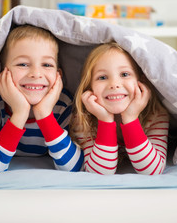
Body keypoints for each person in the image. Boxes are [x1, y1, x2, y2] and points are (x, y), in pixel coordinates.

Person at [0, 25, 84, 173]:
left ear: (58, 76)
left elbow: (75, 167)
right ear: (2, 73)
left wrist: (44, 115)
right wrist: (19, 113)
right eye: (23, 64)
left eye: (46, 64)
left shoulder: (65, 105)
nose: (36, 74)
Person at [70, 42, 169, 175]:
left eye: (124, 74)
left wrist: (130, 119)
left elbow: (152, 171)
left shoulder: (155, 114)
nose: (114, 84)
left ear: (142, 82)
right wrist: (105, 120)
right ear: (89, 88)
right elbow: (100, 173)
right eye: (102, 77)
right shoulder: (83, 118)